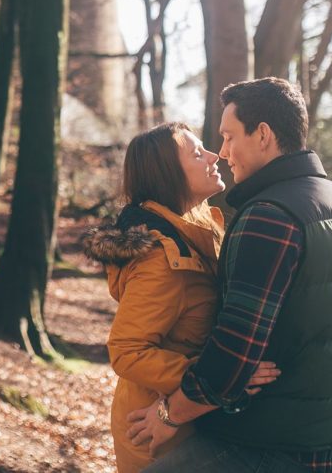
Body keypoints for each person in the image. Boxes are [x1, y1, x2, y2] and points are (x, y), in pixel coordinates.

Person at [128, 77, 332, 472]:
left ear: (262, 135)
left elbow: (233, 353)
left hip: (270, 443)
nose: (223, 152)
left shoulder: (270, 215)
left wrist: (168, 414)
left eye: (229, 137)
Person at [82, 122, 278, 472]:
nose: (215, 155)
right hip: (156, 435)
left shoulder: (198, 233)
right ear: (167, 173)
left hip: (188, 422)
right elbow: (127, 352)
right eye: (196, 152)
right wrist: (221, 376)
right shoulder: (161, 256)